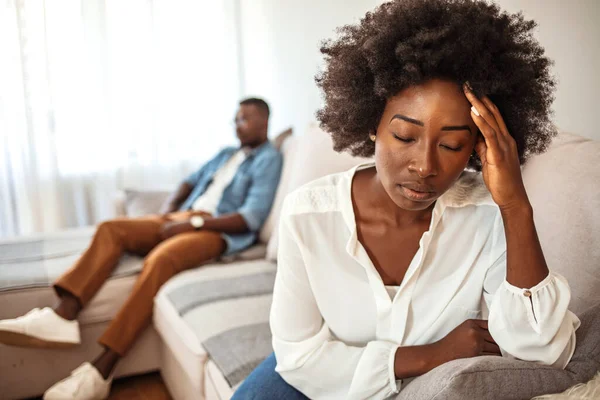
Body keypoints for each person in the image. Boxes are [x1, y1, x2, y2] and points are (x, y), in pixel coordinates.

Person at [232, 2, 580, 399]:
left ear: (475, 147)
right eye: (404, 136)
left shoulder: (488, 215)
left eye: (451, 144)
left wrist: (516, 206)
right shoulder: (308, 213)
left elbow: (540, 351)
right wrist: (427, 355)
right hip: (327, 370)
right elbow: (298, 355)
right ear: (371, 126)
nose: (425, 166)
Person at [0, 97, 283, 400]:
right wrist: (171, 210)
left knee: (162, 258)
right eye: (235, 119)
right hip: (183, 216)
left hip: (214, 230)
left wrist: (192, 226)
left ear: (264, 121)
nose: (237, 125)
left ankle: (101, 370)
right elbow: (189, 182)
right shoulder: (227, 154)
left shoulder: (269, 158)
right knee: (112, 228)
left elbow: (250, 217)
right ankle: (62, 315)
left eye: (245, 118)